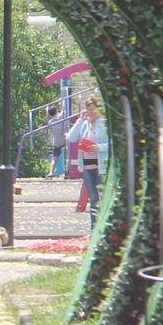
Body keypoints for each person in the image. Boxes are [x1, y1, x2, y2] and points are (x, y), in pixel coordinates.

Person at [67, 96, 109, 229]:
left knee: (104, 198)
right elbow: (71, 138)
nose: (91, 113)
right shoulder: (84, 125)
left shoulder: (104, 124)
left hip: (101, 167)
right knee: (94, 199)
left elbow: (112, 144)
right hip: (87, 166)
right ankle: (94, 229)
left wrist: (98, 147)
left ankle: (105, 228)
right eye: (89, 110)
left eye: (94, 110)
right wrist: (80, 120)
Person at [47, 106, 68, 178]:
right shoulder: (62, 117)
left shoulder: (50, 122)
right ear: (56, 111)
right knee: (67, 156)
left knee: (54, 158)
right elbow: (64, 108)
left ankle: (51, 173)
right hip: (65, 140)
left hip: (57, 142)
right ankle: (67, 171)